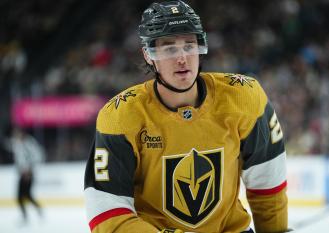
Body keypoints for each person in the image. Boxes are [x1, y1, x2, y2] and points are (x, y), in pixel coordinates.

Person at [84, 1, 289, 232]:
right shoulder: (120, 116)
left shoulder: (244, 98)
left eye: (189, 46)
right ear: (148, 54)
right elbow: (107, 214)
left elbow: (268, 184)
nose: (182, 58)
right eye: (169, 48)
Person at [10, 127, 44, 223]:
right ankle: (26, 216)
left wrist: (30, 170)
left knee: (25, 196)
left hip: (28, 174)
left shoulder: (29, 143)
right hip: (22, 174)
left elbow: (38, 155)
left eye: (17, 133)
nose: (16, 135)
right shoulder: (17, 144)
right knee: (22, 196)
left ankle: (29, 215)